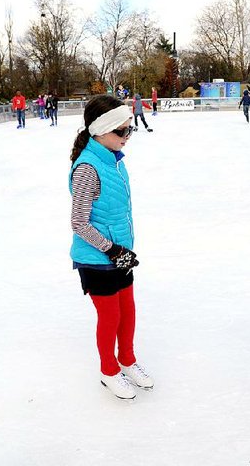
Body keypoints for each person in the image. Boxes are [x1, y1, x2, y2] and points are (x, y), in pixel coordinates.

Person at [69, 94, 153, 400]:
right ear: (100, 130)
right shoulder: (88, 168)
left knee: (127, 309)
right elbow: (79, 222)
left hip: (118, 252)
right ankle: (109, 370)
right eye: (121, 131)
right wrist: (112, 249)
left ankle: (127, 360)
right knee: (110, 316)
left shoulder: (113, 161)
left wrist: (121, 249)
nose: (127, 136)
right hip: (96, 257)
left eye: (129, 129)